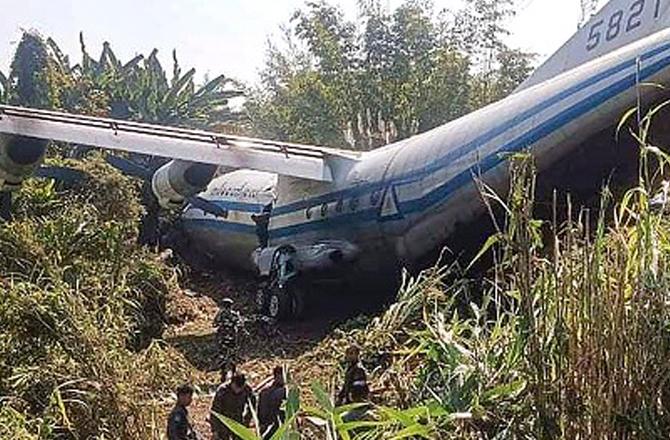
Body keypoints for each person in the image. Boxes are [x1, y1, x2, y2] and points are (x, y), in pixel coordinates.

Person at [210, 373, 257, 440]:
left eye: (240, 388)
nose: (238, 390)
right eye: (236, 387)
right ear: (232, 383)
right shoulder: (223, 390)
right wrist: (215, 430)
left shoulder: (246, 389)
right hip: (224, 421)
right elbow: (215, 411)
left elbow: (252, 404)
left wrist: (246, 421)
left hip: (238, 420)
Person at [213, 298, 243, 373]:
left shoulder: (220, 314)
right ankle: (233, 371)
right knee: (232, 354)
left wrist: (222, 324)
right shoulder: (234, 314)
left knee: (222, 354)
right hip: (232, 336)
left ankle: (223, 371)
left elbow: (214, 324)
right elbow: (240, 324)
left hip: (222, 336)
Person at [257, 366, 288, 439]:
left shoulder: (265, 391)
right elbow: (262, 408)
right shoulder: (282, 392)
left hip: (272, 424)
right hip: (273, 424)